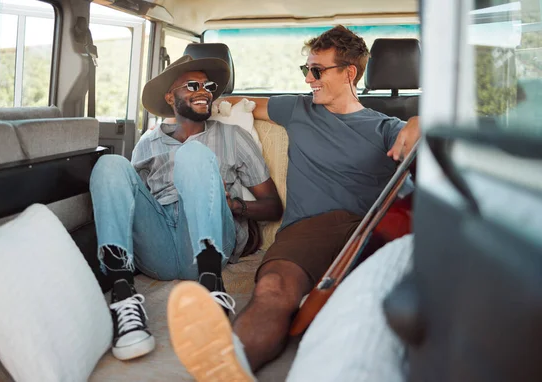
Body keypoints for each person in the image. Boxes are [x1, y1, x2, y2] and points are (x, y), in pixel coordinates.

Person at [166, 25, 421, 380]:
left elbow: (432, 137)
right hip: (308, 231)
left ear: (350, 73)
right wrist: (198, 103)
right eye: (306, 70)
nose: (309, 79)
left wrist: (420, 120)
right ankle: (230, 364)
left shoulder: (386, 127)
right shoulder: (299, 109)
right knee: (272, 288)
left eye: (318, 71)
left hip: (367, 232)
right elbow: (242, 105)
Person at [89, 55, 283, 361]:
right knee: (109, 163)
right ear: (170, 96)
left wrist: (232, 204)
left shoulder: (234, 137)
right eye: (192, 85)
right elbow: (130, 202)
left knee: (194, 154)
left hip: (209, 241)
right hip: (159, 247)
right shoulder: (147, 144)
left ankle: (212, 291)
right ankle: (124, 300)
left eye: (208, 86)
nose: (204, 91)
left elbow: (273, 207)